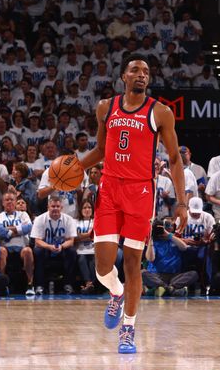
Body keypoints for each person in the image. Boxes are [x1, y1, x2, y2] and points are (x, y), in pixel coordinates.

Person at [74, 53, 187, 354]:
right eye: (135, 70)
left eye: (146, 71)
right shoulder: (105, 108)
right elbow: (100, 148)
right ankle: (116, 292)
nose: (141, 75)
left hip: (140, 193)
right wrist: (78, 168)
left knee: (133, 263)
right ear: (123, 76)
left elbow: (175, 160)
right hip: (109, 189)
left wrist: (182, 202)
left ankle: (128, 329)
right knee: (102, 265)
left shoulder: (160, 112)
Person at [31, 194, 78, 295]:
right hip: (46, 248)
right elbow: (37, 241)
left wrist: (61, 246)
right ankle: (40, 286)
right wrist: (49, 246)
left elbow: (71, 240)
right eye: (53, 206)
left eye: (57, 206)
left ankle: (68, 284)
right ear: (48, 207)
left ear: (61, 208)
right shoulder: (40, 219)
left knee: (72, 251)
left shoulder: (68, 219)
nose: (55, 209)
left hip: (62, 248)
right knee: (38, 251)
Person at [142, 219, 199, 297]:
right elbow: (150, 258)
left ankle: (165, 288)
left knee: (194, 274)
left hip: (175, 276)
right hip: (157, 275)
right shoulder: (152, 242)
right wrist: (151, 239)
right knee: (142, 273)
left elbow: (184, 247)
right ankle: (171, 289)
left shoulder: (174, 239)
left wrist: (168, 235)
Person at [0, 191, 34, 295]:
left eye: (12, 199)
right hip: (5, 247)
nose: (9, 202)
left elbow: (28, 228)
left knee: (28, 251)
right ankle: (1, 284)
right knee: (0, 250)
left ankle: (30, 284)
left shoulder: (23, 214)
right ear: (2, 203)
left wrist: (8, 231)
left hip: (21, 247)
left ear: (15, 202)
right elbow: (0, 232)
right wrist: (18, 231)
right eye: (7, 200)